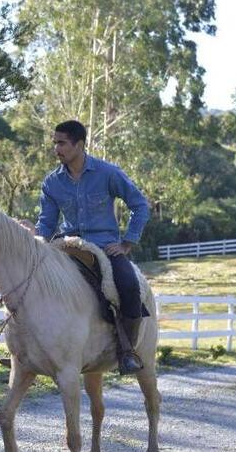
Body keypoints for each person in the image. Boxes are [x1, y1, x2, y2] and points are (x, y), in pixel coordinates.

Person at [35, 120, 150, 375]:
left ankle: (127, 351)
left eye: (62, 143)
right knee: (34, 283)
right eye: (55, 143)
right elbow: (46, 222)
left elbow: (140, 205)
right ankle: (30, 353)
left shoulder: (108, 173)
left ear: (79, 144)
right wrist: (38, 242)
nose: (57, 149)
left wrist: (127, 242)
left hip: (105, 248)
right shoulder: (52, 182)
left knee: (129, 287)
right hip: (68, 246)